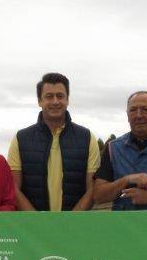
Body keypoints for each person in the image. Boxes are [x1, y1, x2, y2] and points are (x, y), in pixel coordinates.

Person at [7, 72, 100, 211]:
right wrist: (37, 221)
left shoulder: (87, 138)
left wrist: (69, 222)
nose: (55, 101)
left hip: (75, 226)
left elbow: (92, 189)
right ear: (39, 101)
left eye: (60, 96)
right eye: (49, 96)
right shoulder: (20, 139)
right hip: (32, 227)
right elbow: (14, 188)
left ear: (68, 99)